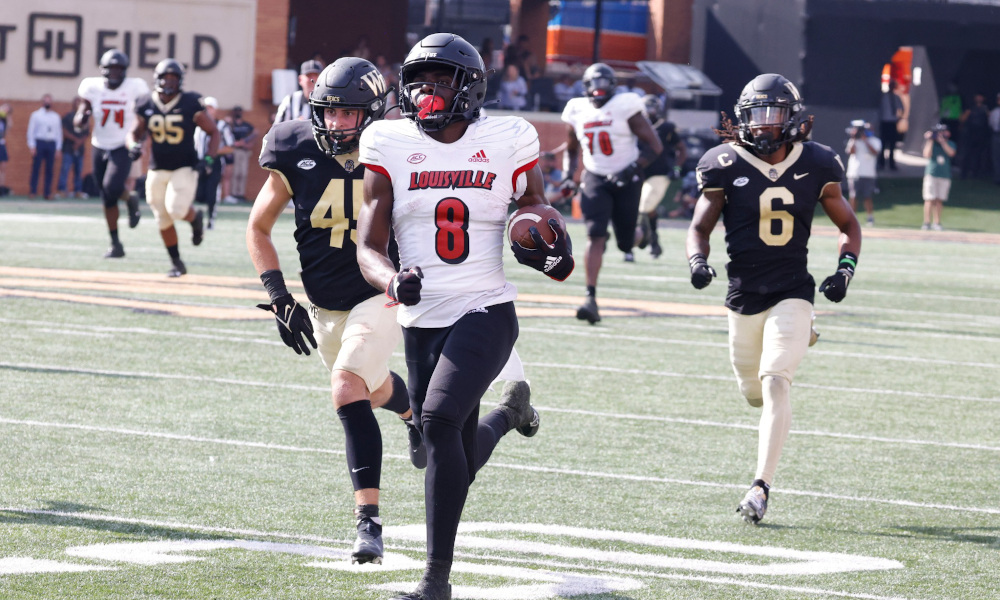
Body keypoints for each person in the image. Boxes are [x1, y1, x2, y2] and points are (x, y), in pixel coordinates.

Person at [356, 33, 573, 600]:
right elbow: (368, 244)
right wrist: (391, 280)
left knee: (439, 424)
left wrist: (549, 245)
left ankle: (435, 583)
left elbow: (534, 209)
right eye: (419, 79)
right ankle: (507, 416)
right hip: (421, 316)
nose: (427, 90)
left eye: (441, 78)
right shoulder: (388, 139)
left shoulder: (507, 137)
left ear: (470, 86)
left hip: (485, 308)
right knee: (448, 455)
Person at [247, 57, 429, 566]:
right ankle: (414, 413)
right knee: (367, 387)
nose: (336, 124)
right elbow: (258, 228)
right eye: (329, 113)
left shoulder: (398, 146)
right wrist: (280, 296)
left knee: (346, 386)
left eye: (349, 114)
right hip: (324, 301)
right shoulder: (295, 146)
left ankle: (368, 523)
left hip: (381, 290)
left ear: (371, 114)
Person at [685, 73, 861, 525]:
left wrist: (845, 271)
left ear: (793, 119)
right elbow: (699, 228)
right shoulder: (722, 163)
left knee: (775, 380)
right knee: (752, 392)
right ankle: (802, 336)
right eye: (756, 116)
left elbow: (850, 226)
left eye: (773, 115)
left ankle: (760, 486)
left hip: (792, 291)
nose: (764, 126)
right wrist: (696, 261)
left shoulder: (819, 164)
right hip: (743, 294)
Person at [561, 62, 662, 323]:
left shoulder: (625, 105)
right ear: (585, 87)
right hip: (595, 176)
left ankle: (644, 234)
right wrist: (568, 175)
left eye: (604, 84)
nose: (598, 90)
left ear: (613, 86)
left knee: (626, 242)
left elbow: (655, 146)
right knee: (595, 234)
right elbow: (571, 148)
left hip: (627, 177)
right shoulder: (577, 109)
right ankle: (590, 298)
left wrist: (631, 169)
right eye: (593, 85)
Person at [127, 58, 218, 277]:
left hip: (184, 165)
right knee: (161, 215)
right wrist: (133, 146)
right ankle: (176, 262)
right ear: (157, 79)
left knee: (176, 209)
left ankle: (194, 218)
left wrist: (208, 159)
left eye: (173, 78)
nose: (169, 82)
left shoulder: (190, 101)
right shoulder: (145, 102)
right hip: (157, 167)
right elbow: (133, 133)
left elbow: (214, 131)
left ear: (180, 81)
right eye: (165, 78)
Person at [76, 49, 150, 258]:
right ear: (103, 70)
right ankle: (116, 243)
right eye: (111, 69)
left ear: (125, 70)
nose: (115, 73)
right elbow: (80, 114)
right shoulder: (91, 87)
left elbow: (141, 117)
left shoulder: (135, 87)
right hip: (99, 144)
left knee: (112, 186)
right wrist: (81, 119)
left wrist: (139, 140)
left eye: (119, 69)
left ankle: (129, 199)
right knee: (107, 197)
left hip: (122, 143)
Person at [635, 94, 687, 258]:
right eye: (647, 107)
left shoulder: (666, 127)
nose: (649, 111)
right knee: (646, 209)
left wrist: (677, 167)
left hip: (660, 173)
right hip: (638, 172)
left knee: (644, 205)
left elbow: (682, 150)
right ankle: (654, 242)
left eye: (652, 107)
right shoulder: (634, 126)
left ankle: (641, 240)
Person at [194, 97, 233, 228]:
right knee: (197, 193)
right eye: (205, 107)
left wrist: (212, 153)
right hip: (198, 161)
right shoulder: (196, 125)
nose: (207, 110)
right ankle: (194, 219)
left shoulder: (221, 126)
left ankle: (210, 220)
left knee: (212, 192)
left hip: (214, 162)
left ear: (215, 110)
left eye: (210, 107)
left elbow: (230, 147)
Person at [844, 119, 881, 226]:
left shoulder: (875, 140)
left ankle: (870, 218)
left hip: (868, 173)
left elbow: (875, 152)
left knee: (867, 196)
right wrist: (854, 138)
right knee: (853, 196)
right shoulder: (854, 140)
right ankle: (852, 218)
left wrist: (865, 140)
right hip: (854, 173)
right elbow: (850, 151)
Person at [27, 94, 62, 200]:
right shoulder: (36, 115)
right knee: (36, 168)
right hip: (39, 143)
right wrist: (32, 146)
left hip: (51, 144)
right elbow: (31, 131)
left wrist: (58, 148)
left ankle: (47, 193)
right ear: (42, 102)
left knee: (50, 169)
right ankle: (33, 191)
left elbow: (58, 133)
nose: (47, 103)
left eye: (49, 101)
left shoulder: (55, 116)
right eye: (46, 101)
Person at [921, 124, 956, 231]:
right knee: (929, 199)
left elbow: (951, 153)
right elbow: (926, 154)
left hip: (944, 175)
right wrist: (930, 140)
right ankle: (926, 222)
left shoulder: (950, 143)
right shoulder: (931, 143)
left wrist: (942, 141)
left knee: (939, 199)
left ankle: (937, 222)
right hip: (932, 174)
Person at [58, 97, 89, 198]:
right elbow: (64, 130)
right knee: (65, 169)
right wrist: (75, 140)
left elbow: (87, 133)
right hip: (68, 148)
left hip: (79, 149)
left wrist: (79, 142)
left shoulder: (85, 118)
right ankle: (62, 190)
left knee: (78, 171)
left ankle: (77, 191)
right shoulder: (68, 117)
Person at [959, 92, 990, 179]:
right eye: (977, 96)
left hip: (981, 135)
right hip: (969, 134)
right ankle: (964, 173)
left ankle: (975, 173)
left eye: (981, 96)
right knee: (967, 154)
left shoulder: (986, 108)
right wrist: (967, 113)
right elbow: (961, 119)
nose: (979, 98)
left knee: (978, 155)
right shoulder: (969, 108)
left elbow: (990, 121)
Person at [877, 80, 903, 171]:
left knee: (892, 144)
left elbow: (901, 108)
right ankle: (881, 163)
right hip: (884, 122)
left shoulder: (896, 97)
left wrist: (899, 118)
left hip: (892, 122)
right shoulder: (883, 97)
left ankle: (892, 163)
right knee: (883, 144)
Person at [990, 93, 1000, 185]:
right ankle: (997, 178)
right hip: (997, 135)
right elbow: (991, 124)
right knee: (996, 157)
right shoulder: (995, 112)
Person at [0, 103, 9, 196]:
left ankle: (1, 189)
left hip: (1, 144)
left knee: (3, 168)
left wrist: (7, 116)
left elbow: (8, 130)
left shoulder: (4, 121)